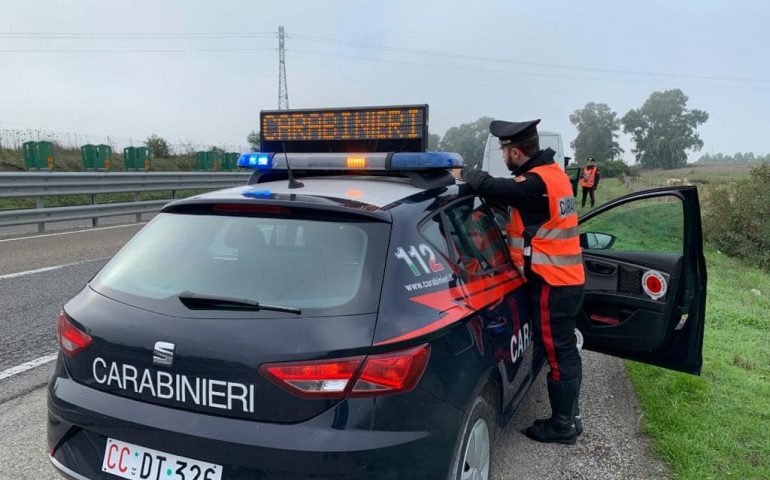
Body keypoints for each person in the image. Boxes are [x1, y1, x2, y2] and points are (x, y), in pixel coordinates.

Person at [455, 119, 585, 444]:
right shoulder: (555, 175)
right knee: (565, 351)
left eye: (504, 152)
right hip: (565, 280)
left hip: (552, 283)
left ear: (515, 152)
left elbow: (492, 187)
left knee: (559, 353)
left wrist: (463, 173)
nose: (503, 158)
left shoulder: (535, 184)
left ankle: (563, 426)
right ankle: (571, 417)